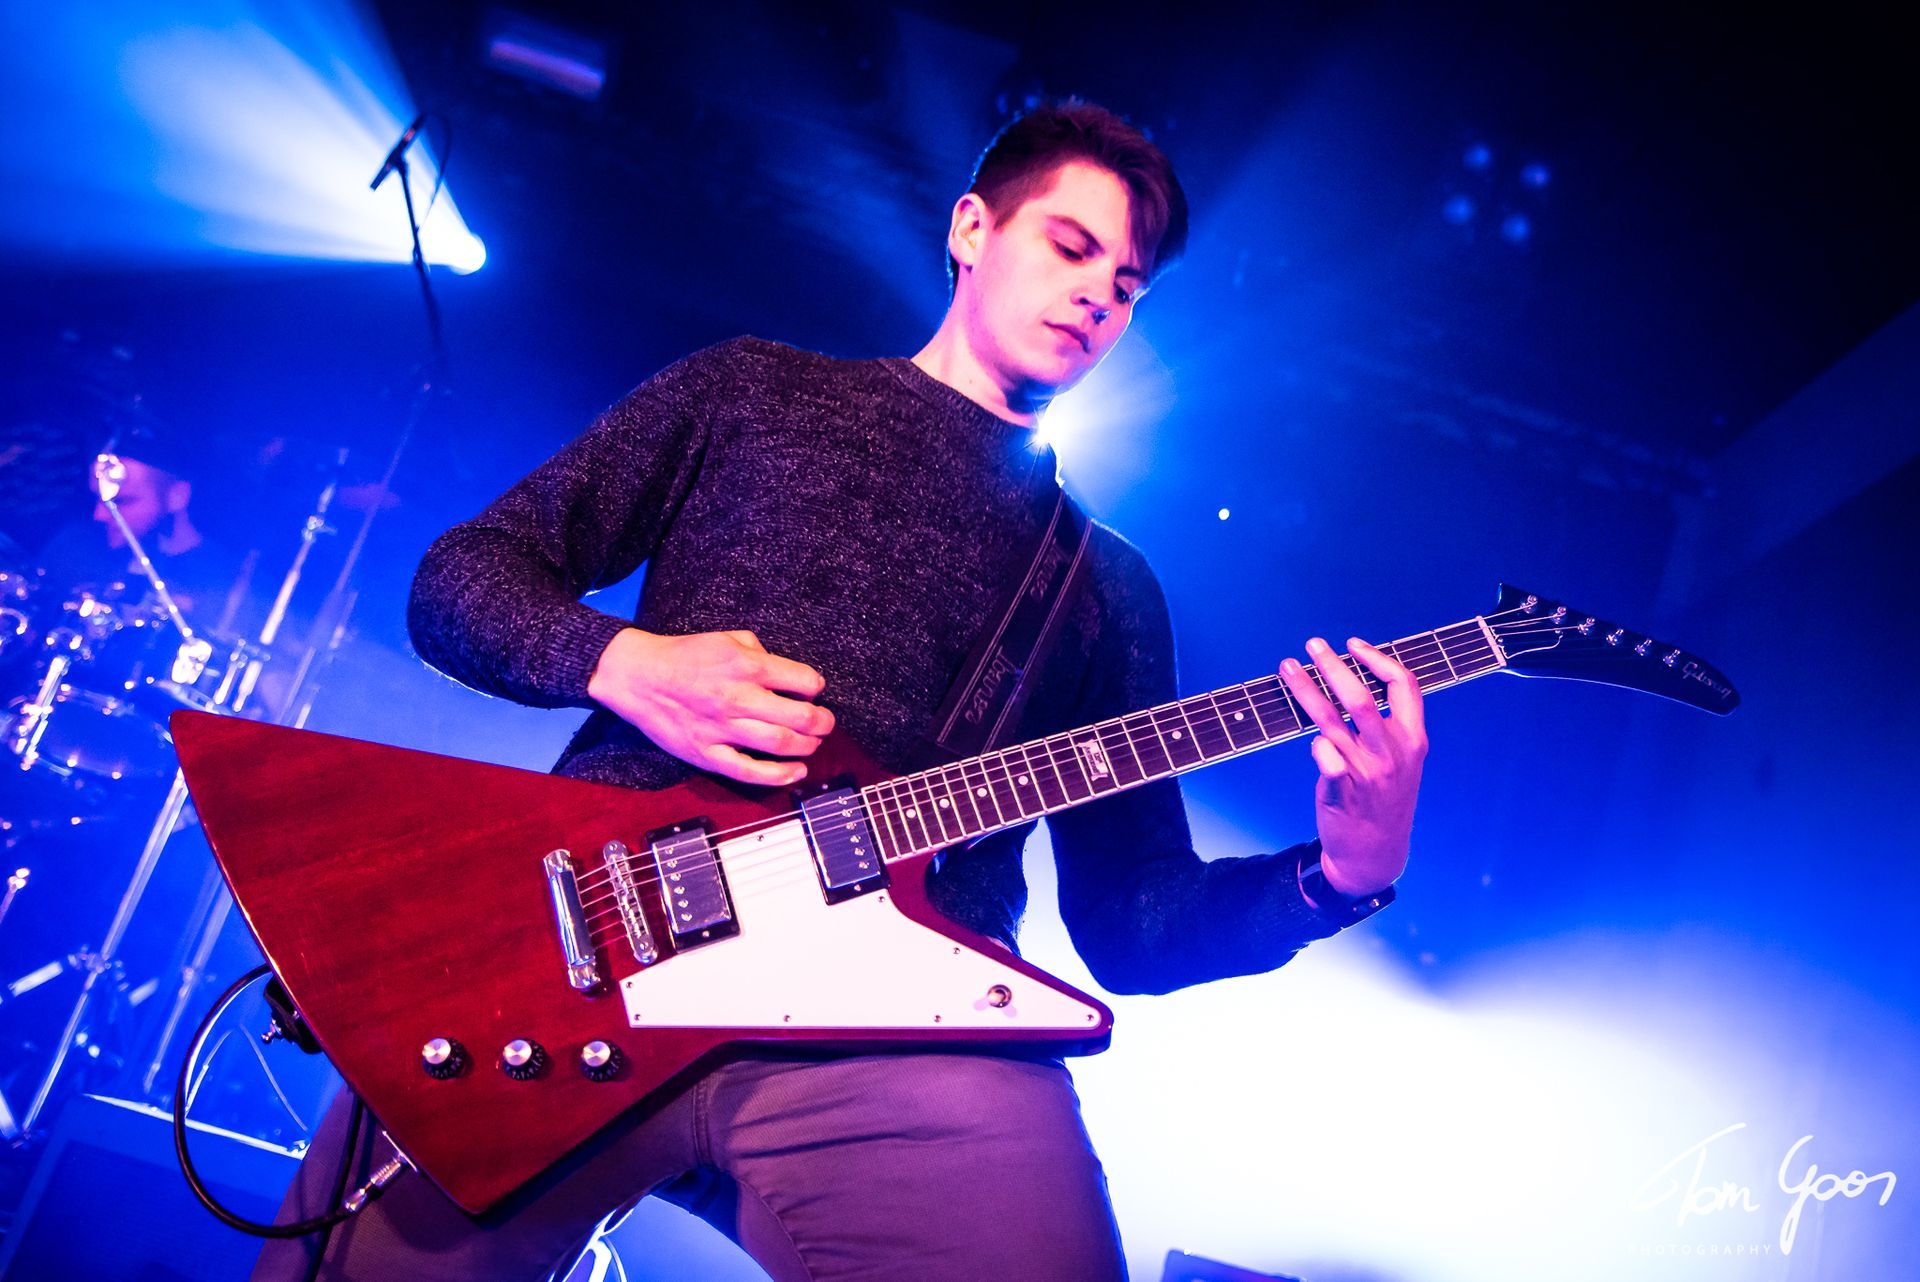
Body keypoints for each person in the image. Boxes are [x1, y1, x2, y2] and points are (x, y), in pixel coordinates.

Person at [254, 100, 1428, 1282]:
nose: (1095, 298)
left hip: (899, 1026)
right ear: (972, 229)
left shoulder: (1107, 587)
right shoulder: (752, 394)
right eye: (1071, 249)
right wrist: (626, 663)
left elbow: (1134, 925)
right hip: (587, 956)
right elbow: (459, 580)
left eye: (1126, 288)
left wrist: (1341, 876)